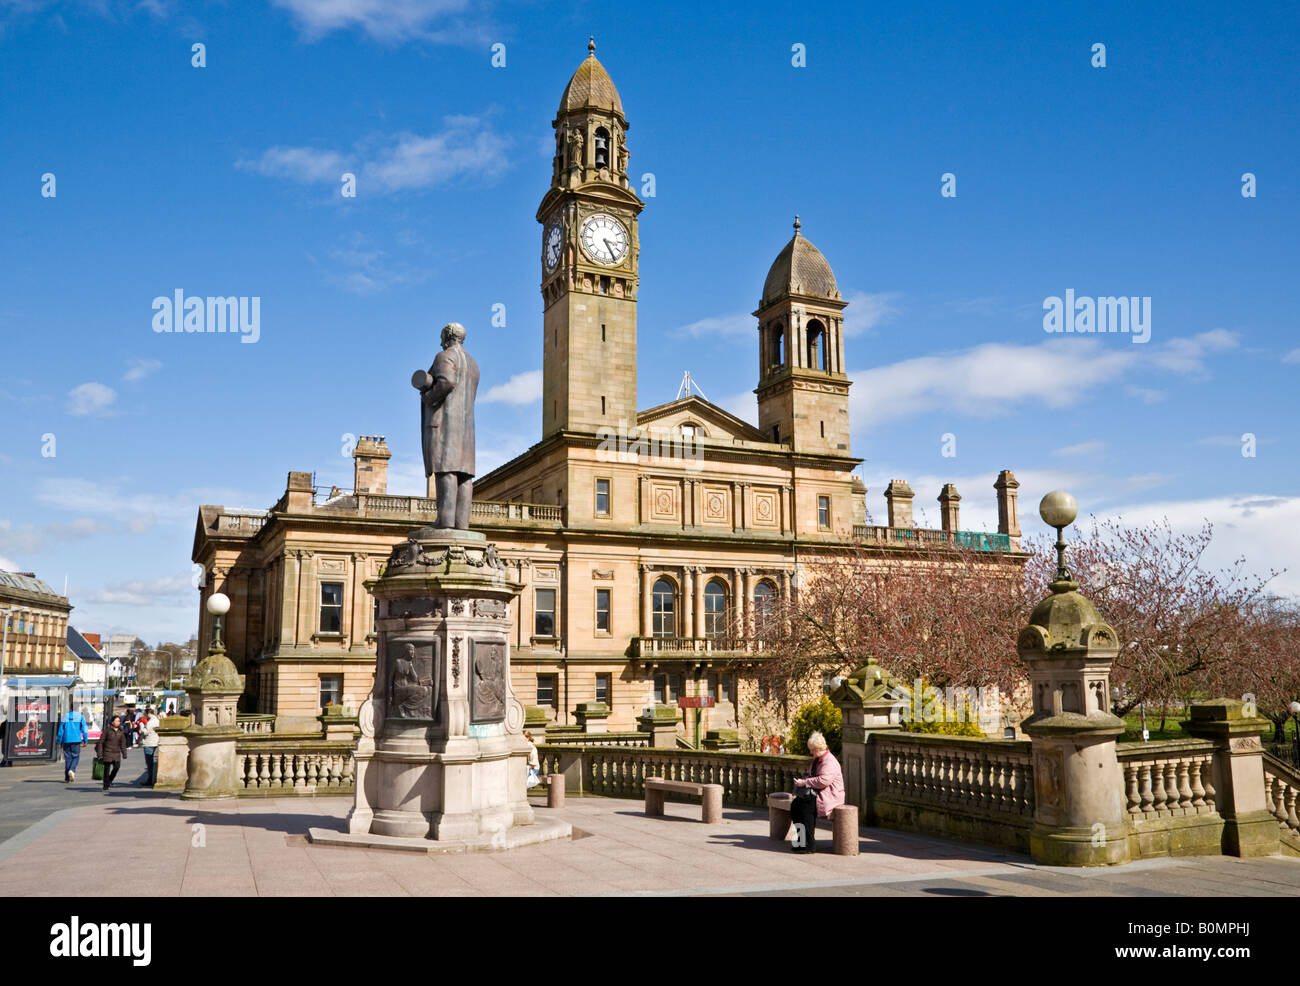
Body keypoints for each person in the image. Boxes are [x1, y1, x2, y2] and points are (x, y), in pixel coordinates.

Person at [790, 731, 845, 853]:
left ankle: (809, 845)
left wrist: (805, 783)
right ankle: (799, 842)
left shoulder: (829, 761)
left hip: (830, 796)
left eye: (812, 750)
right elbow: (813, 776)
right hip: (818, 793)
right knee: (795, 806)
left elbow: (823, 781)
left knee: (806, 809)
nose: (811, 752)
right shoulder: (818, 759)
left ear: (819, 749)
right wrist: (803, 781)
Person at [95, 715, 128, 793]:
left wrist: (124, 753)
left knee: (117, 767)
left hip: (116, 753)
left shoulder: (121, 731)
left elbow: (123, 744)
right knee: (106, 769)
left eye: (119, 721)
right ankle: (106, 784)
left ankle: (110, 780)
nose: (118, 722)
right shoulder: (107, 730)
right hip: (107, 752)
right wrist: (100, 754)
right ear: (112, 722)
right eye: (116, 721)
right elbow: (101, 742)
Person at [57, 708, 88, 782]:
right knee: (75, 756)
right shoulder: (80, 716)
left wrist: (59, 741)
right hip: (76, 739)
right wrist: (85, 740)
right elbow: (84, 729)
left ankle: (67, 777)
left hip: (66, 739)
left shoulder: (66, 716)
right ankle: (72, 770)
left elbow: (61, 730)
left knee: (68, 758)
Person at [137, 705, 161, 787]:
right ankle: (151, 778)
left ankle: (150, 779)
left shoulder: (151, 722)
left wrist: (141, 725)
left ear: (148, 713)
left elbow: (145, 732)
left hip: (149, 743)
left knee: (149, 763)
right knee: (151, 762)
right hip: (155, 741)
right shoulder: (157, 720)